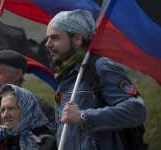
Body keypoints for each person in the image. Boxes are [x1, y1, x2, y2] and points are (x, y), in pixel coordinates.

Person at [45, 9, 146, 149]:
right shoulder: (65, 76)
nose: (47, 44)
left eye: (55, 38)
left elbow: (136, 110)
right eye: (48, 38)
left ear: (77, 39)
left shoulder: (101, 66)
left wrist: (83, 116)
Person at [0, 84, 56, 150]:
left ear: (26, 110)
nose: (5, 115)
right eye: (2, 110)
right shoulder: (4, 137)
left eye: (11, 108)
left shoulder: (45, 141)